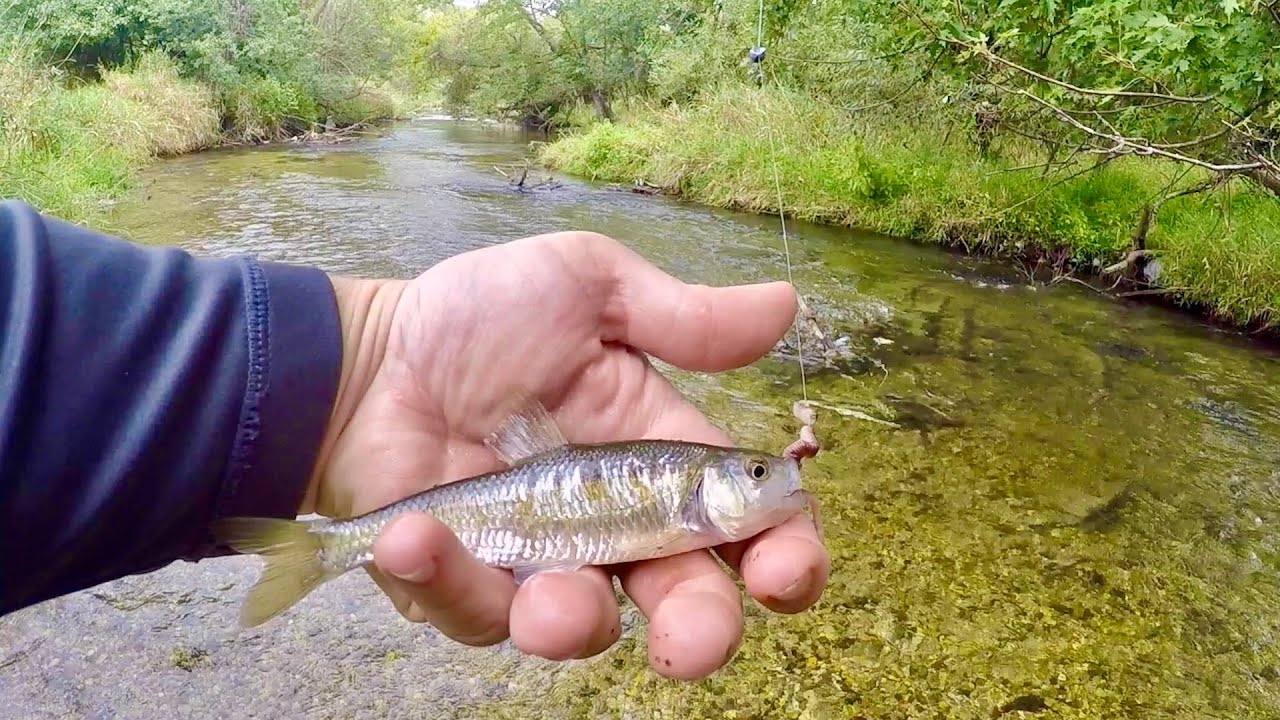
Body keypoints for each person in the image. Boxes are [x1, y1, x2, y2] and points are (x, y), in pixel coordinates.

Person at [0, 198, 829, 681]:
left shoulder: (689, 497)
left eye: (757, 473)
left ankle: (328, 547)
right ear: (715, 485)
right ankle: (323, 549)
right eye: (755, 472)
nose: (769, 481)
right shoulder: (685, 500)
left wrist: (345, 369)